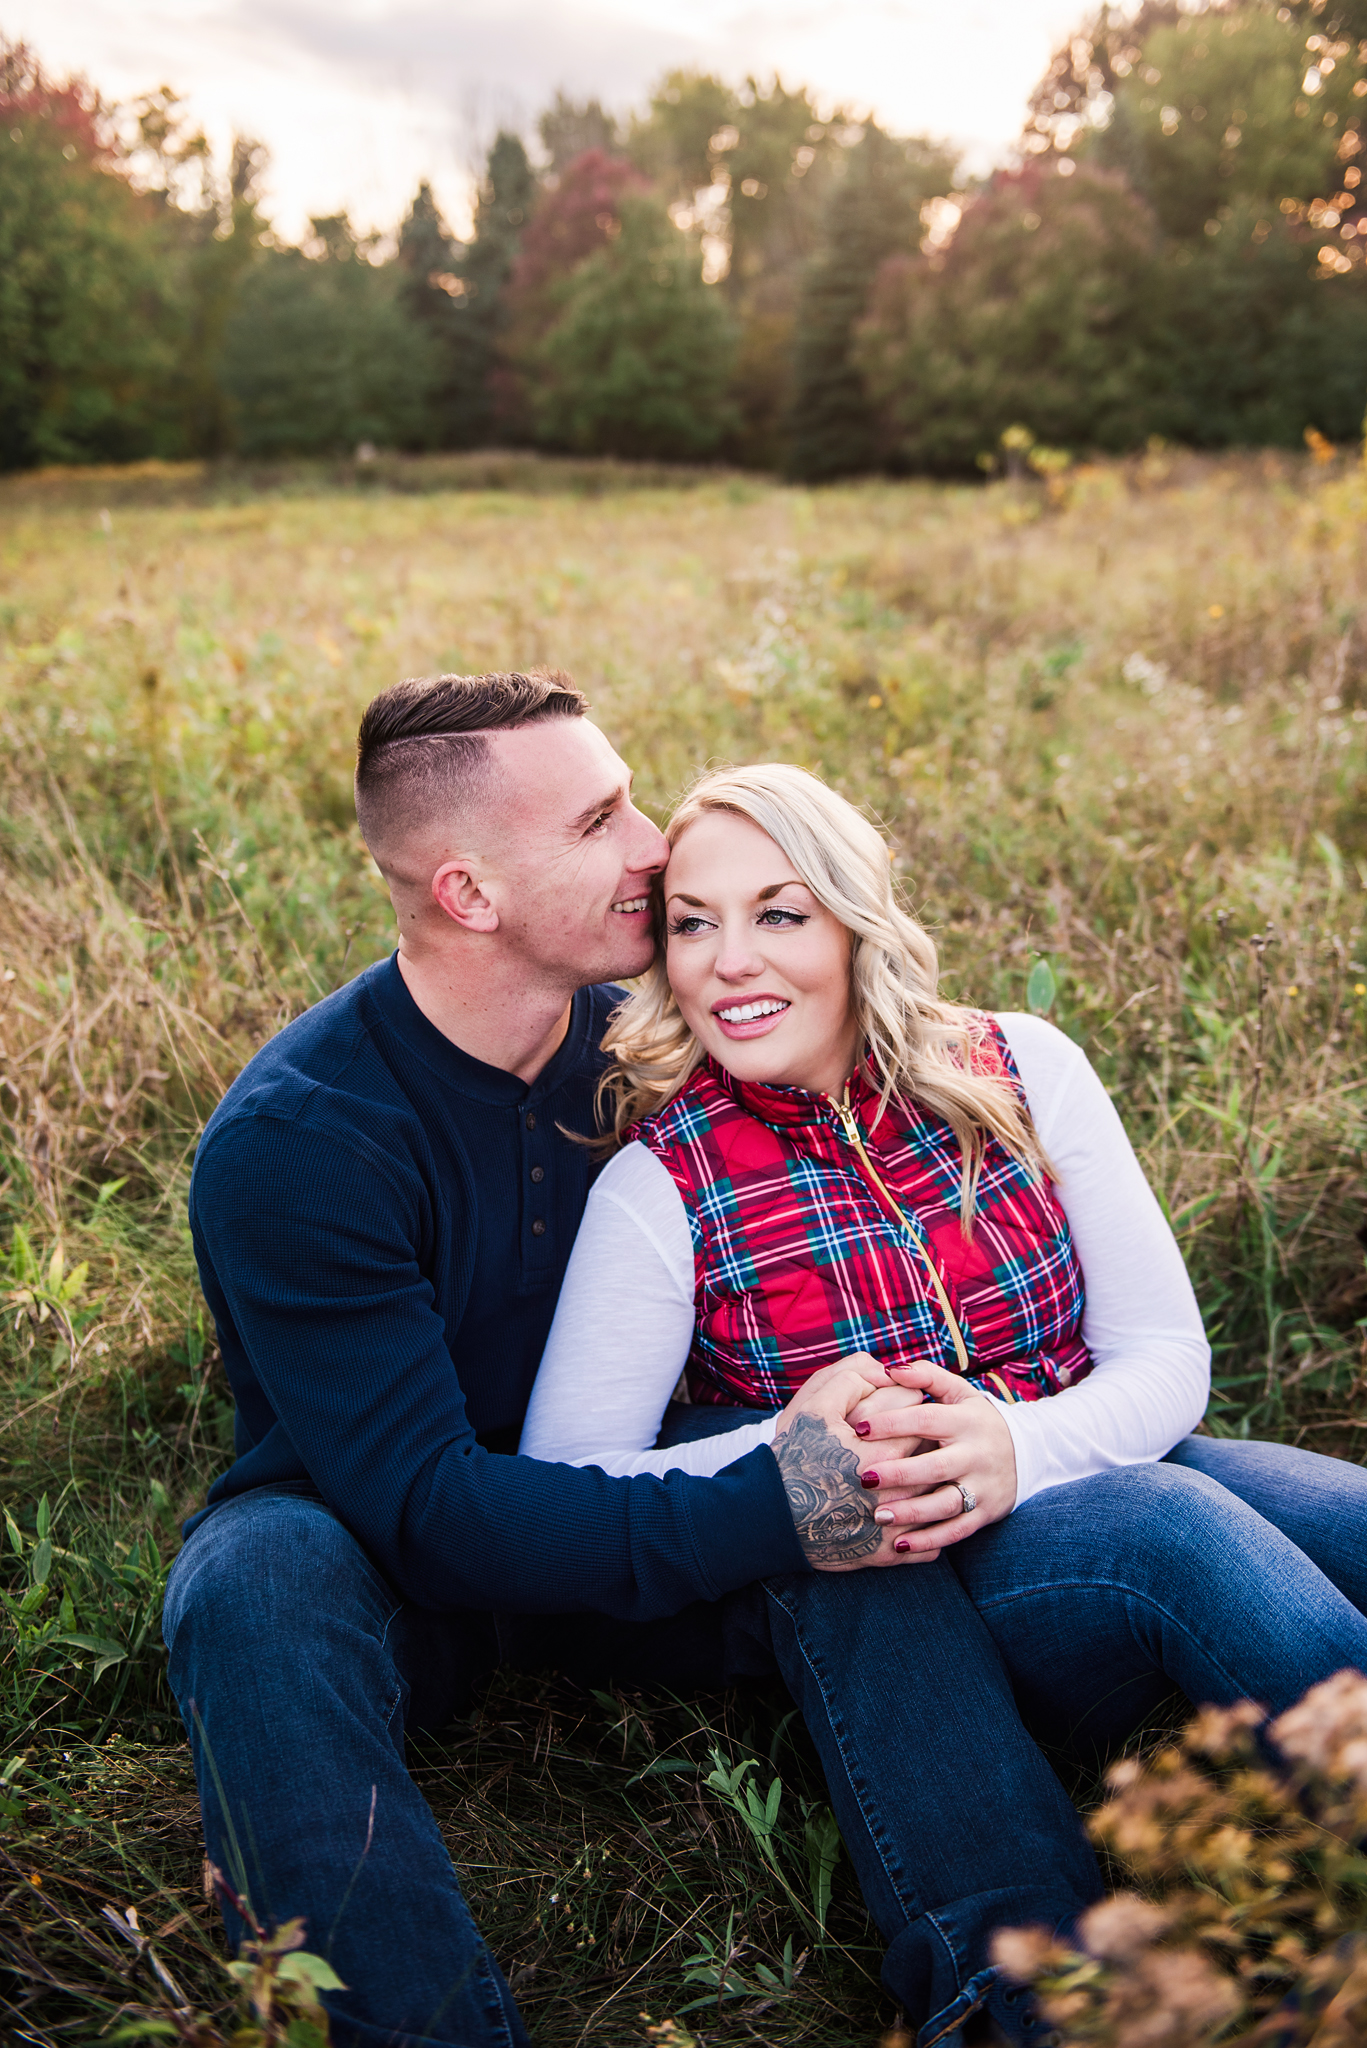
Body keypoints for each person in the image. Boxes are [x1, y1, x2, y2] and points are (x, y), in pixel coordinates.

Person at [166, 669, 1068, 2048]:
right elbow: (428, 1514)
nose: (653, 848)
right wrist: (774, 1494)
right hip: (395, 1548)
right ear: (469, 895)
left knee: (849, 1526)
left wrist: (840, 1447)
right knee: (246, 1584)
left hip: (638, 1484)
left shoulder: (646, 1039)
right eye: (599, 821)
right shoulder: (300, 1145)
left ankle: (1032, 1996)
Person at [522, 760, 1367, 2024]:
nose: (728, 961)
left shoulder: (1016, 1065)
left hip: (1082, 1451)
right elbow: (563, 1486)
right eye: (692, 922)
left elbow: (1162, 1359)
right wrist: (789, 1459)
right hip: (949, 1584)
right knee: (1166, 1532)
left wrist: (1016, 1444)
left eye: (779, 912)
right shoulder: (665, 1183)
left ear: (856, 917)